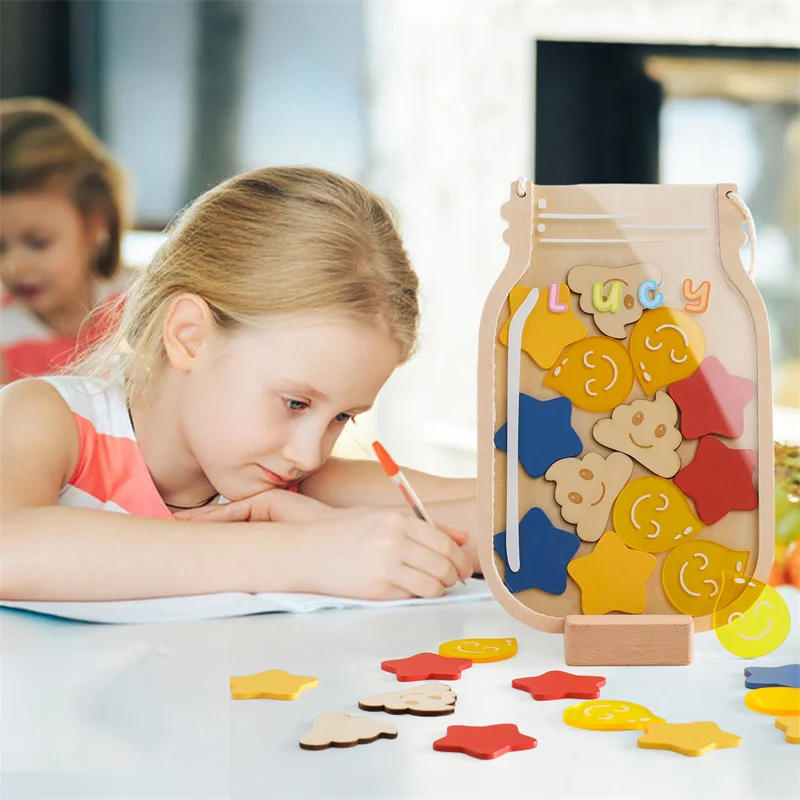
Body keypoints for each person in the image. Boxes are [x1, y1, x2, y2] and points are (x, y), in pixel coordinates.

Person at [0, 167, 478, 603]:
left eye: (341, 417)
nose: (310, 453)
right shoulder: (49, 421)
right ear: (190, 337)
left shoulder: (288, 482)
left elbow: (508, 519)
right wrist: (302, 552)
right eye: (294, 403)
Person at [0, 98, 129, 383]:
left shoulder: (140, 309)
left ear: (94, 224)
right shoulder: (4, 338)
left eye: (37, 242)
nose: (12, 267)